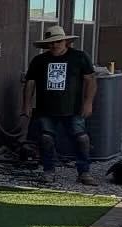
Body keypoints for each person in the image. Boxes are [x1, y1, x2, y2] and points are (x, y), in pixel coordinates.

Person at [21, 22, 97, 186]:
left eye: (58, 41)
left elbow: (90, 80)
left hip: (73, 108)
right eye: (51, 42)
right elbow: (30, 83)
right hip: (46, 108)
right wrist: (26, 104)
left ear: (66, 42)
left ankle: (84, 171)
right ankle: (49, 170)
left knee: (82, 139)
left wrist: (88, 102)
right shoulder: (39, 60)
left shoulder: (79, 57)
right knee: (46, 138)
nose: (55, 45)